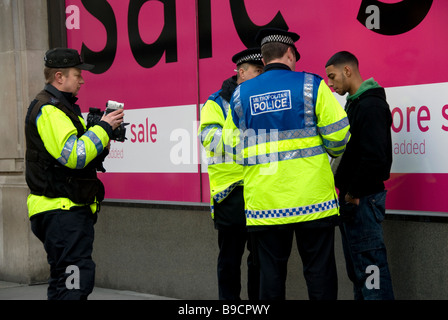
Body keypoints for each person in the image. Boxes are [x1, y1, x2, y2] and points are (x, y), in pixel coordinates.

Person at [223, 28, 350, 300]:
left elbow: (230, 147)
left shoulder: (239, 96)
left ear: (265, 58)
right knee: (319, 274)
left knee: (270, 277)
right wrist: (328, 150)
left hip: (266, 205)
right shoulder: (311, 85)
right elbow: (339, 135)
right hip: (314, 202)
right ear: (290, 53)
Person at [25, 48, 124, 300]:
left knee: (63, 282)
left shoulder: (60, 107)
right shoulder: (50, 109)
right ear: (59, 77)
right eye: (77, 75)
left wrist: (102, 136)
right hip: (62, 212)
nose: (82, 80)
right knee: (74, 284)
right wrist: (103, 128)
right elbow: (75, 156)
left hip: (62, 210)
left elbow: (81, 154)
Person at [325, 51, 394, 300]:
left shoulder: (371, 105)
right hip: (354, 200)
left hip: (362, 200)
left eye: (332, 77)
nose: (330, 85)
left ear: (347, 71)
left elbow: (377, 159)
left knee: (371, 270)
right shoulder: (356, 103)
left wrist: (354, 193)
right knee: (360, 272)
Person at [199, 48, 264, 300]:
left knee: (259, 260)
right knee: (229, 260)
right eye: (257, 71)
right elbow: (209, 138)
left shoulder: (262, 98)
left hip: (260, 188)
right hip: (230, 193)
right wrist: (249, 145)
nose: (261, 76)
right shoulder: (216, 102)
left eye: (263, 70)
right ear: (241, 72)